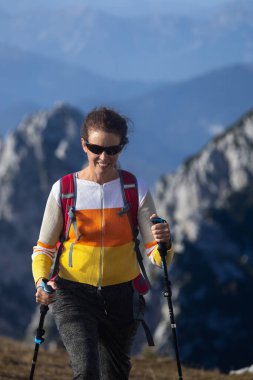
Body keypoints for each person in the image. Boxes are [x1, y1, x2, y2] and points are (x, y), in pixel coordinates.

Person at [32, 107, 173, 380]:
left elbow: (156, 255)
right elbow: (44, 249)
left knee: (115, 375)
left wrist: (165, 244)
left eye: (113, 149)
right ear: (84, 144)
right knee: (86, 371)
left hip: (123, 296)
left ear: (122, 147)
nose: (104, 157)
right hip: (72, 293)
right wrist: (41, 282)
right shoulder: (63, 190)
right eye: (96, 148)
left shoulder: (135, 189)